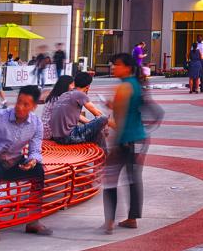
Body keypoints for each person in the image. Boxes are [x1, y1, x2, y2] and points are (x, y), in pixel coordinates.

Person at [0, 85, 53, 240]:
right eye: (19, 102)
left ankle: (33, 220)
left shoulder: (36, 123)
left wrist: (33, 161)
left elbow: (35, 150)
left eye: (26, 104)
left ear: (34, 107)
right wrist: (4, 152)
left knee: (38, 171)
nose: (20, 107)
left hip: (15, 161)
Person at [103, 52, 147, 233]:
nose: (114, 67)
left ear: (127, 67)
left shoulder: (122, 88)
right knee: (134, 178)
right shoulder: (137, 84)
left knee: (110, 179)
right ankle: (132, 218)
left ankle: (109, 221)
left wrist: (113, 141)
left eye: (117, 64)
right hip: (139, 138)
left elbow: (119, 121)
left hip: (125, 141)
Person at [47, 72, 109, 146]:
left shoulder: (65, 94)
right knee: (103, 118)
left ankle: (104, 154)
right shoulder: (80, 94)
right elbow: (98, 114)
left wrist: (93, 126)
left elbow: (79, 117)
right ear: (88, 86)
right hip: (69, 136)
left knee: (98, 133)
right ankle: (105, 155)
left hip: (56, 137)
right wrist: (106, 126)